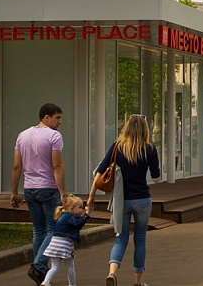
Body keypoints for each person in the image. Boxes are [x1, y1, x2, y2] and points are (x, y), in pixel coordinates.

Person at [86, 115, 160, 286]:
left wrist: (91, 196)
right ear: (145, 130)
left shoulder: (117, 147)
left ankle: (112, 273)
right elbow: (156, 177)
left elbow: (100, 171)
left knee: (120, 238)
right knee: (140, 239)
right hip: (142, 200)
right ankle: (137, 281)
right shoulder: (149, 149)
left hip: (122, 201)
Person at [11, 102, 67, 283]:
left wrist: (14, 192)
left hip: (29, 189)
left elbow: (16, 166)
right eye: (57, 118)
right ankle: (39, 266)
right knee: (54, 229)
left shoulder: (22, 135)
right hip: (49, 188)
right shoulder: (54, 137)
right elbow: (57, 166)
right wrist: (63, 193)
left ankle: (39, 272)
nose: (60, 122)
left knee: (38, 230)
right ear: (46, 117)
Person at [39, 195, 87, 286]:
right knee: (70, 266)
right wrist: (87, 215)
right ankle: (72, 284)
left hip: (54, 244)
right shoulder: (71, 217)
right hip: (65, 244)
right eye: (80, 207)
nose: (82, 210)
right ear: (72, 209)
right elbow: (79, 223)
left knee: (54, 267)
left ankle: (46, 282)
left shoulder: (63, 216)